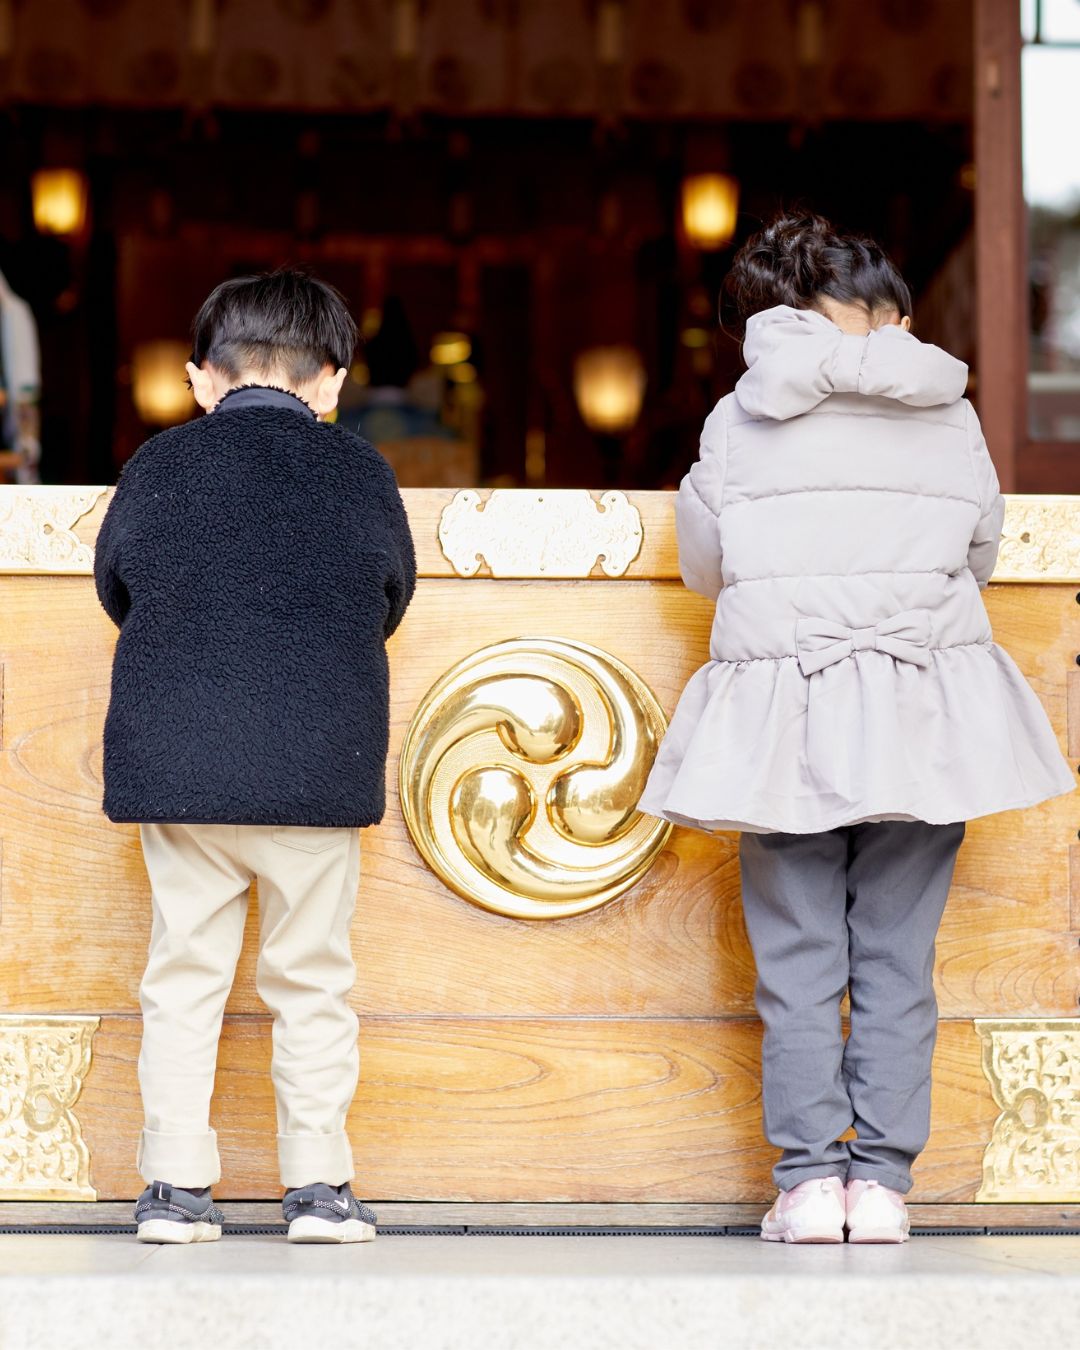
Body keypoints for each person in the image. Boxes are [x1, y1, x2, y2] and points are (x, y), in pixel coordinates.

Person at [638, 214, 1074, 1245]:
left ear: (770, 317)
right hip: (923, 712)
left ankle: (807, 1184)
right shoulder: (950, 415)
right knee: (896, 958)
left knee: (795, 964)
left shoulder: (738, 421)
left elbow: (706, 565)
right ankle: (880, 1185)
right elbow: (979, 553)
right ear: (889, 314)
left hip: (783, 716)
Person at [94, 269, 416, 1245]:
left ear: (201, 380)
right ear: (330, 383)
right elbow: (390, 594)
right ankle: (318, 1190)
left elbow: (118, 584)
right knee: (312, 982)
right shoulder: (361, 471)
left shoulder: (157, 463)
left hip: (182, 768)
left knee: (181, 976)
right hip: (314, 770)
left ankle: (173, 1191)